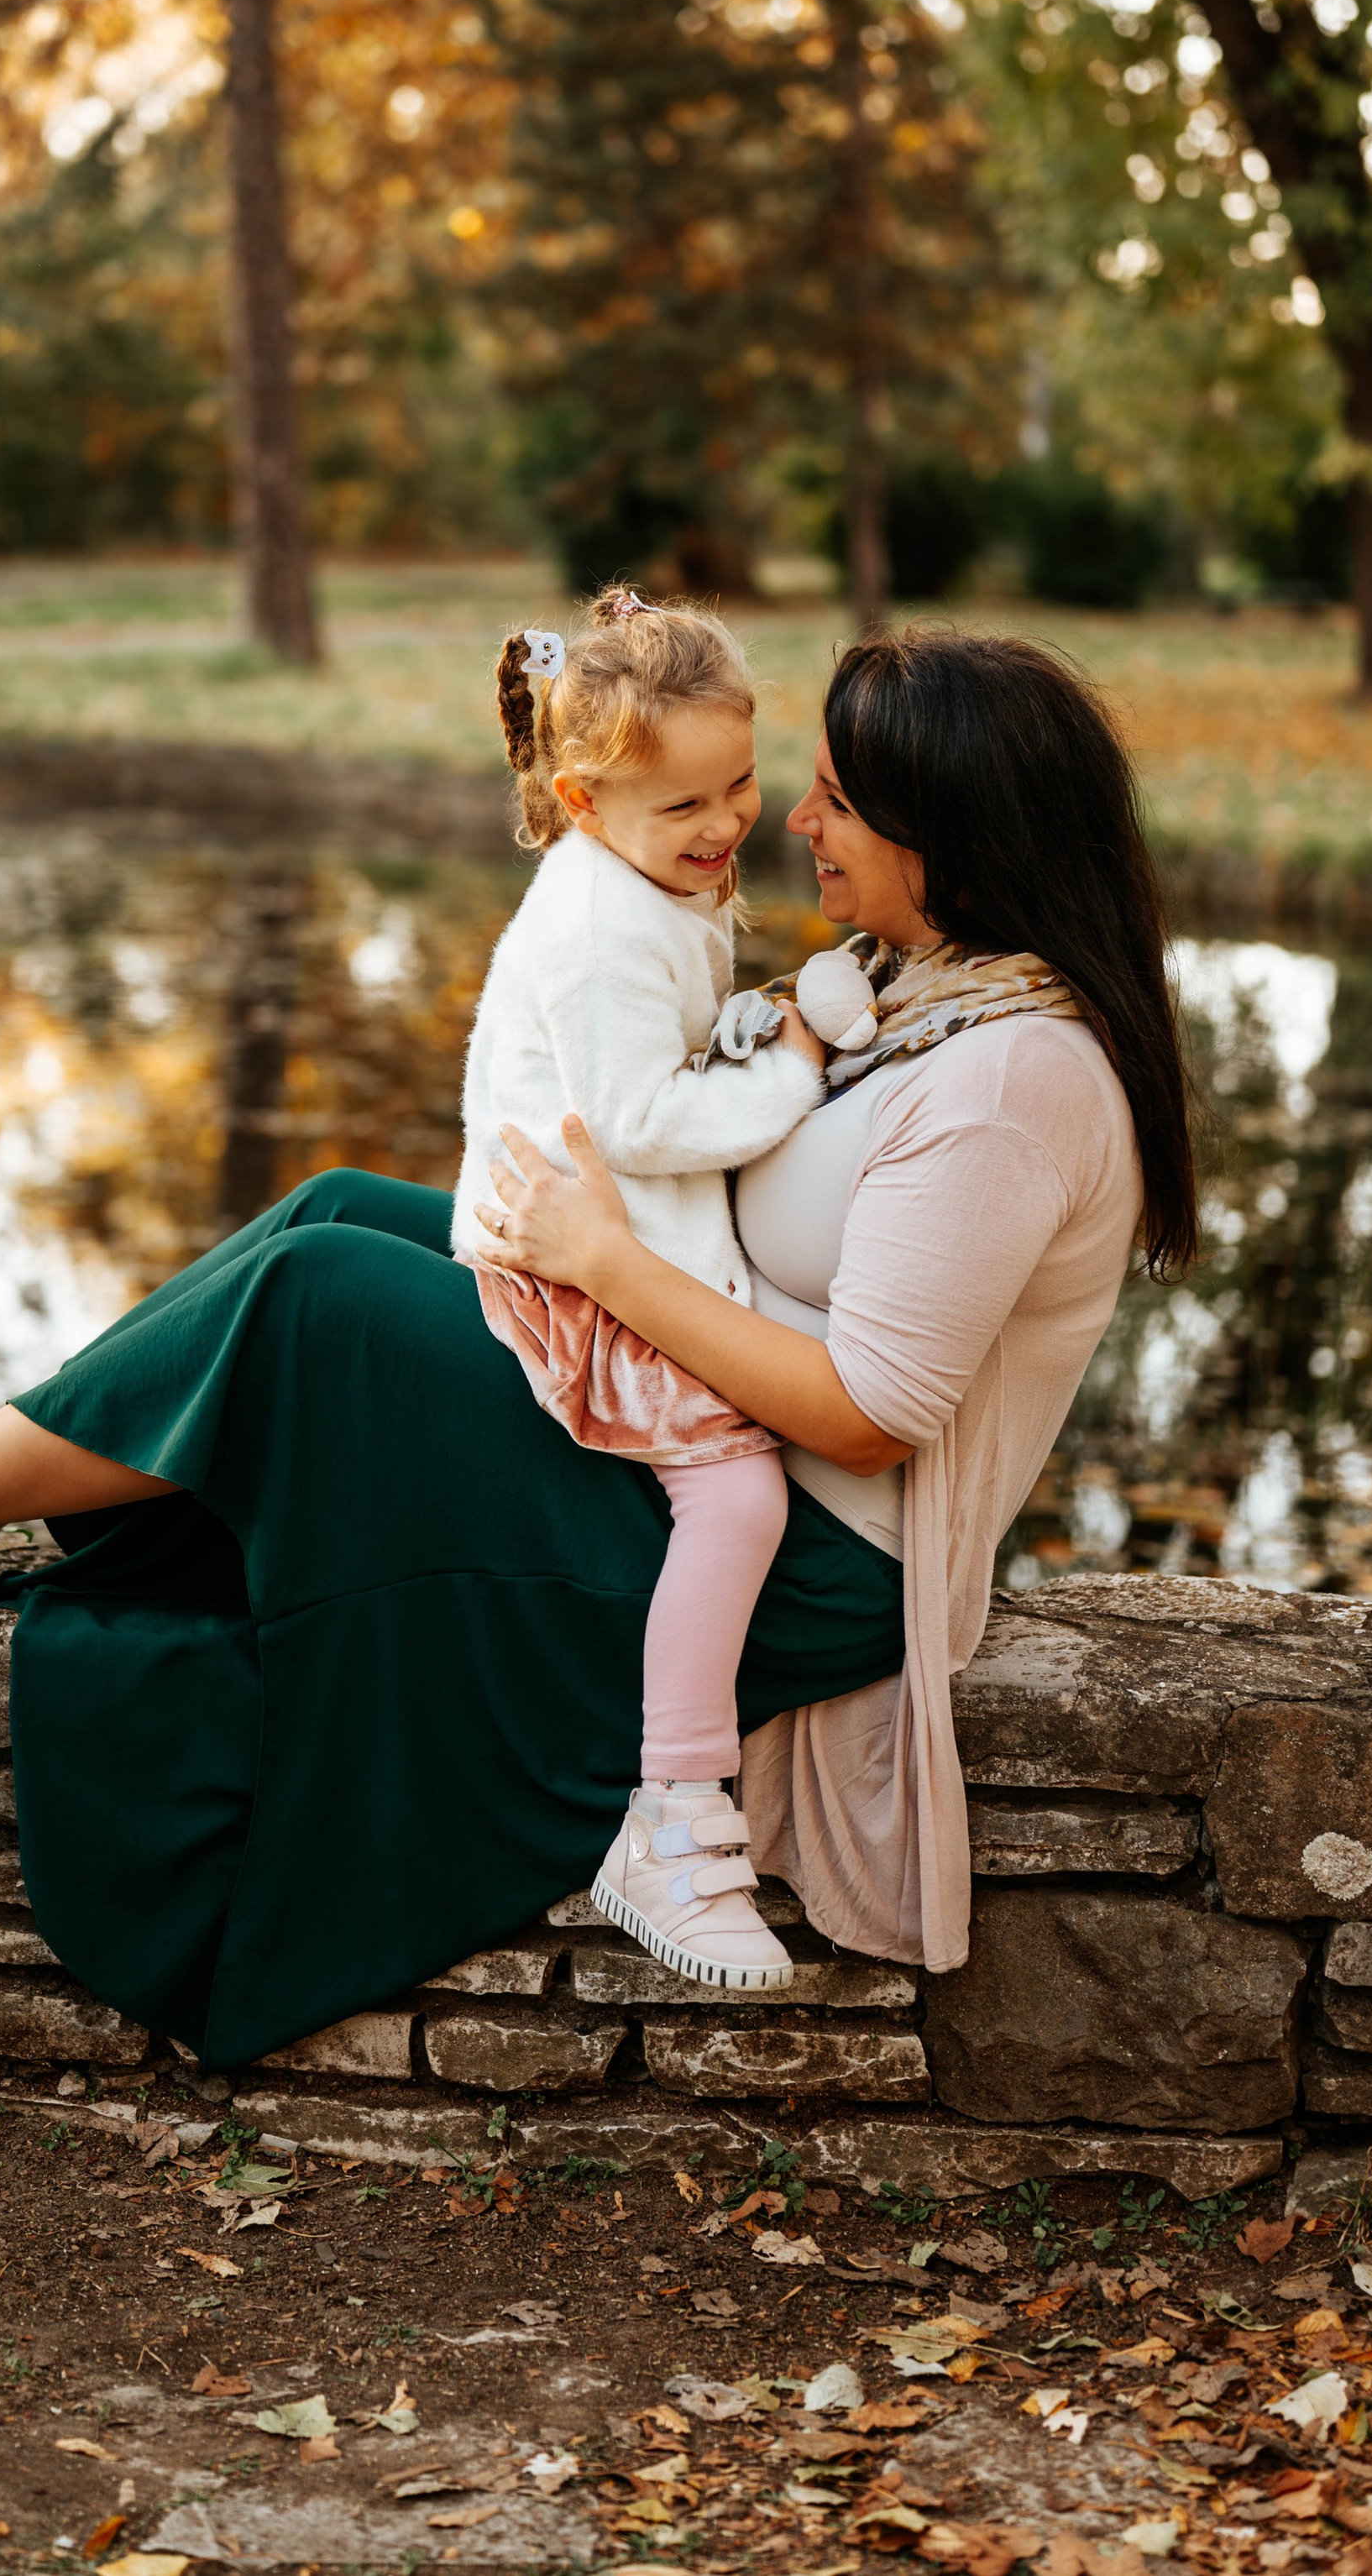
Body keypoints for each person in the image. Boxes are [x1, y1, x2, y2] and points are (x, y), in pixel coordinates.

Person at [0, 626, 1193, 2068]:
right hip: (700, 1427)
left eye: (842, 799)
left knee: (323, 1296)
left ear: (962, 835)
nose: (797, 818)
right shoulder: (949, 993)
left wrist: (599, 1258)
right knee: (346, 1209)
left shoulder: (1014, 1087)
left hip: (799, 1555)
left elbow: (867, 1418)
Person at [459, 584, 876, 1996]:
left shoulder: (654, 881)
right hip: (574, 1252)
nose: (724, 827)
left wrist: (746, 1023)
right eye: (682, 806)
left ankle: (679, 1805)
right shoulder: (599, 925)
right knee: (739, 1492)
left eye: (740, 784)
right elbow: (638, 1121)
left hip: (617, 1224)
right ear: (582, 802)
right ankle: (675, 1819)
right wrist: (794, 1069)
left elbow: (669, 1052)